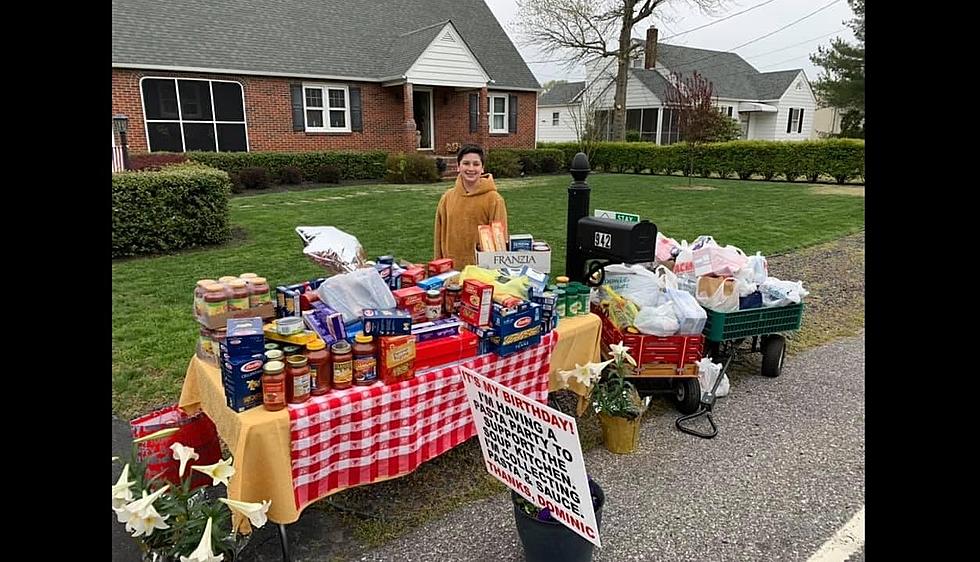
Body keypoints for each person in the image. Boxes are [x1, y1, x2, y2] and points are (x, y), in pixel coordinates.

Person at [433, 144, 508, 269]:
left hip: (482, 271)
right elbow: (439, 236)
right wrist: (438, 266)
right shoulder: (447, 198)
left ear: (482, 168)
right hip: (451, 269)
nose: (471, 168)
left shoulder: (494, 199)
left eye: (476, 164)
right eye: (466, 163)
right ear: (458, 167)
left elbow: (500, 241)